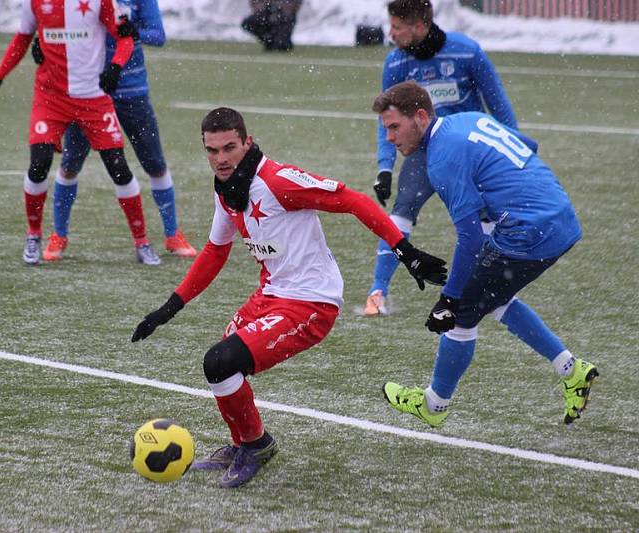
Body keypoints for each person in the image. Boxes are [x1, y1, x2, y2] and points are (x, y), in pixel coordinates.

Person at [131, 107, 447, 488]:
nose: (221, 158)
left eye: (229, 147)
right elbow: (215, 251)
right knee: (221, 364)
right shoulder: (227, 189)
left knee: (221, 362)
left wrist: (406, 251)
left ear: (246, 142)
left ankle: (256, 446)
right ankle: (246, 442)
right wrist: (169, 308)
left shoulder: (278, 181)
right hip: (271, 293)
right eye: (212, 151)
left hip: (312, 301)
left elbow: (354, 200)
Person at [375, 81, 598, 428]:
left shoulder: (442, 158)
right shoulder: (467, 119)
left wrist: (448, 299)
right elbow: (528, 145)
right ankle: (571, 369)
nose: (389, 137)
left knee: (464, 310)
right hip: (561, 218)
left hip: (528, 231)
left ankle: (434, 406)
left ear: (420, 116)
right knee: (493, 297)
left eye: (394, 127)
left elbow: (470, 239)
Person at [364, 0, 518, 316]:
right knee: (400, 215)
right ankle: (377, 292)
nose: (391, 34)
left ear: (419, 26)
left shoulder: (467, 51)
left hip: (472, 154)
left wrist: (512, 146)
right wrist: (384, 167)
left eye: (397, 27)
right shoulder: (396, 62)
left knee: (487, 222)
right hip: (424, 155)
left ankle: (487, 289)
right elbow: (387, 121)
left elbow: (498, 105)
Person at [0, 0, 162, 266]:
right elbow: (22, 38)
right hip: (50, 98)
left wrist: (115, 67)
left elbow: (126, 37)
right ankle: (33, 236)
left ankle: (142, 241)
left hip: (94, 99)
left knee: (118, 168)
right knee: (39, 163)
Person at [30, 0, 197, 263]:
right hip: (88, 92)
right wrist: (41, 42)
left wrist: (132, 32)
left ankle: (172, 233)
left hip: (131, 90)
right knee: (70, 164)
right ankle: (59, 235)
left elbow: (158, 35)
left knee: (154, 164)